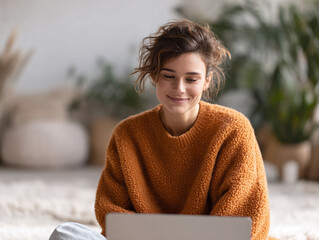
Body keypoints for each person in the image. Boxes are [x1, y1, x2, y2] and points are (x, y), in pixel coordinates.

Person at [50, 19, 276, 240]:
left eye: (191, 79)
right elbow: (112, 211)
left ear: (207, 80)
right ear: (154, 75)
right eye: (169, 76)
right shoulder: (127, 134)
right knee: (66, 234)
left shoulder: (233, 130)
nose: (179, 89)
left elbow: (245, 216)